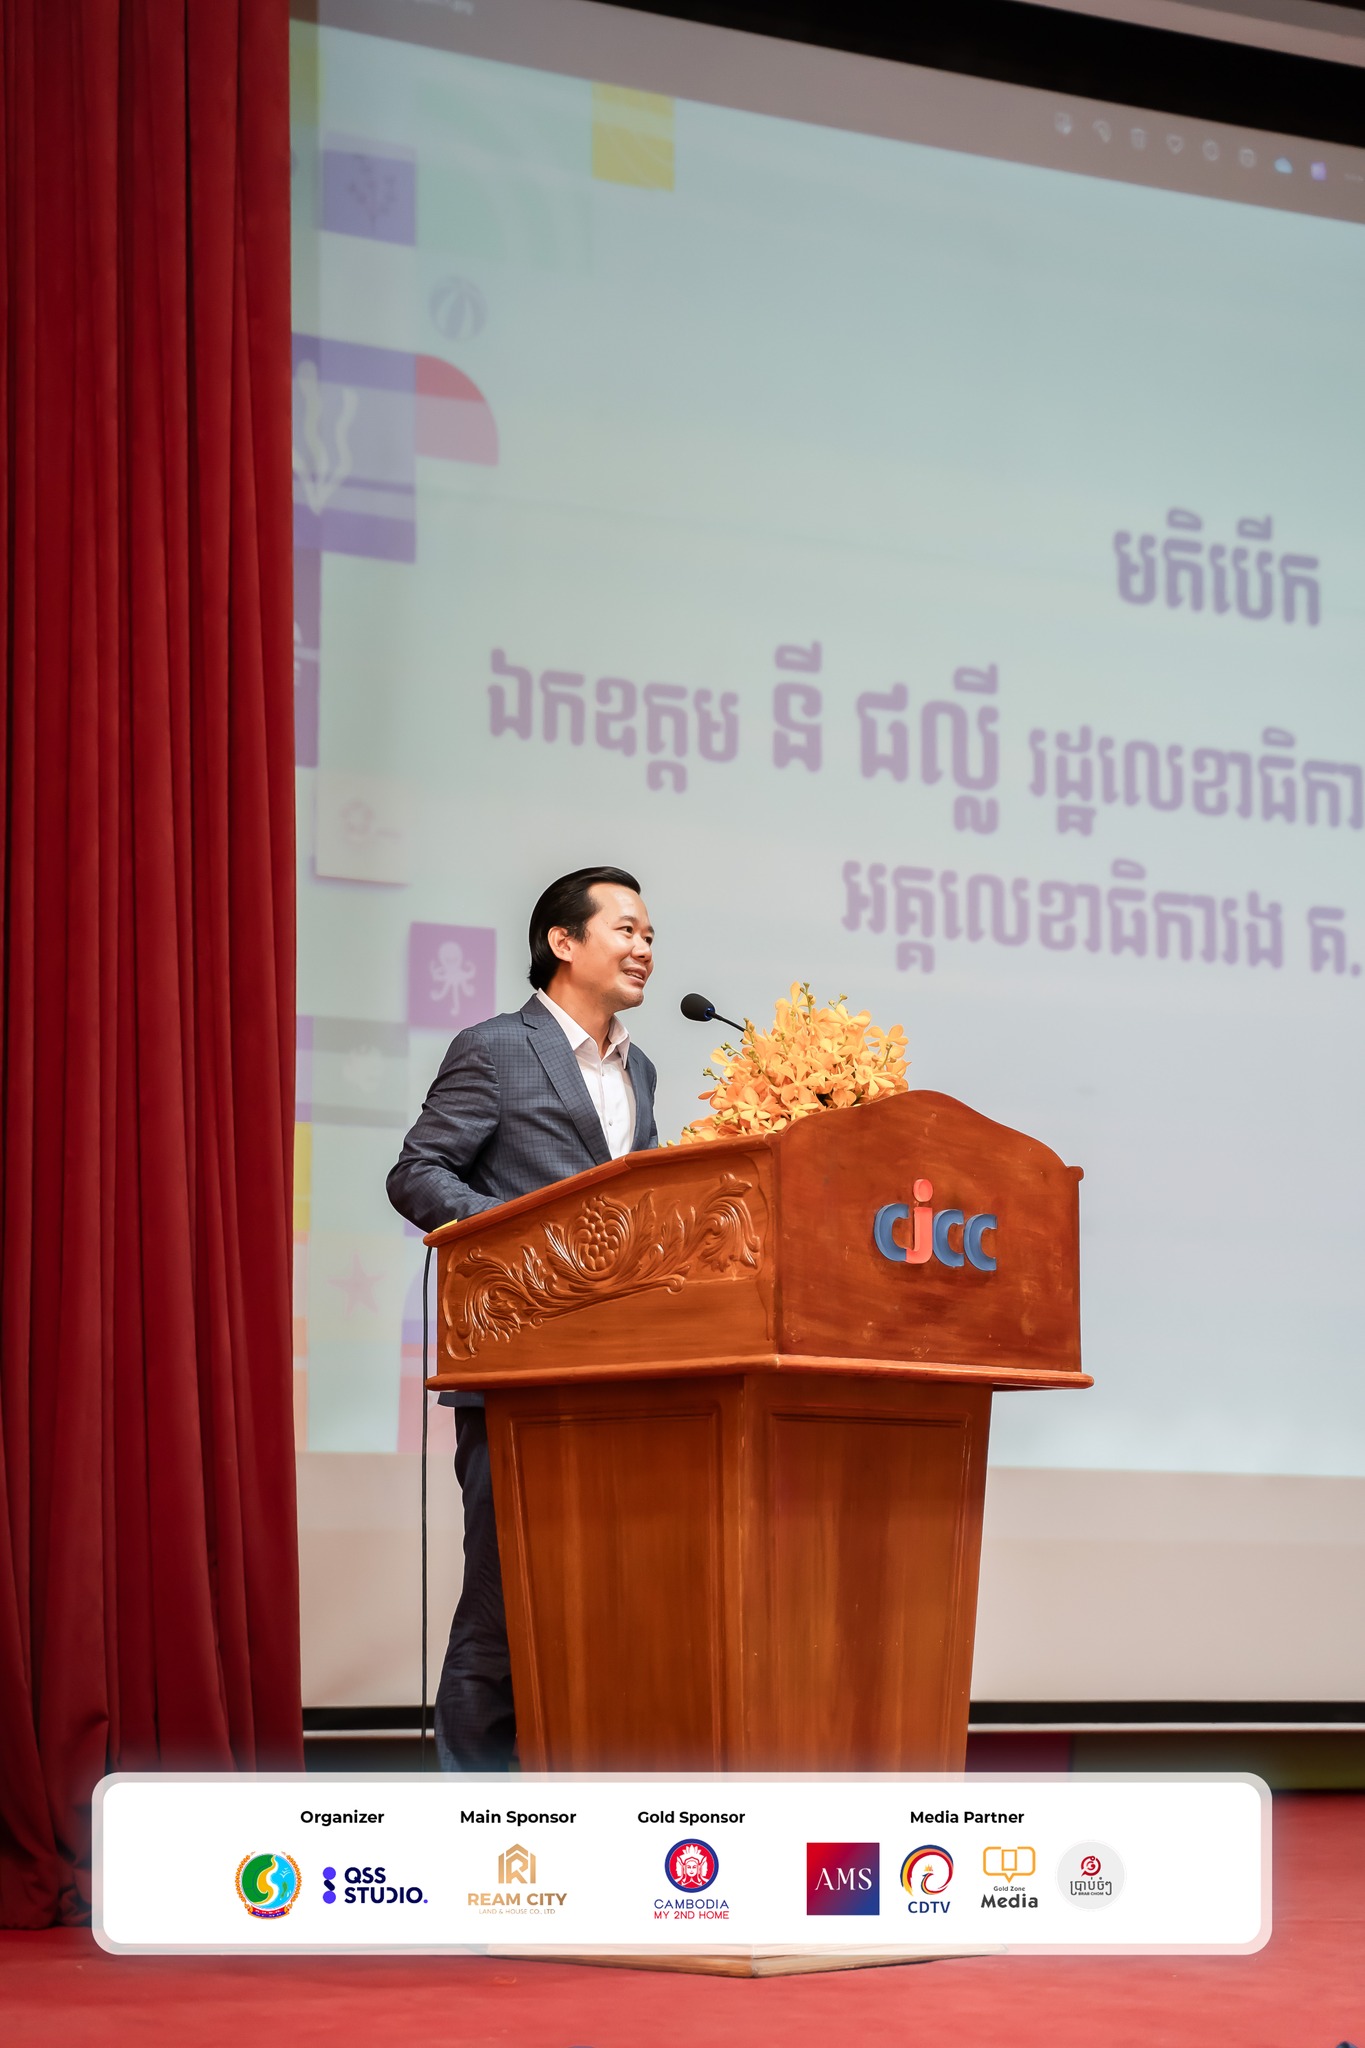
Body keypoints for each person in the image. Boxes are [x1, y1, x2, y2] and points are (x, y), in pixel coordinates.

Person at [387, 866, 658, 1770]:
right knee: (503, 1607)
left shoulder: (639, 1067)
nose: (643, 948)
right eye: (625, 929)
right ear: (563, 942)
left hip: (619, 1372)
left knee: (595, 1607)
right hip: (517, 1366)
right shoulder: (498, 1048)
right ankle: (476, 1816)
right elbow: (418, 1172)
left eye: (649, 935)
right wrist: (516, 1241)